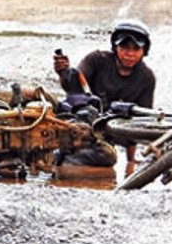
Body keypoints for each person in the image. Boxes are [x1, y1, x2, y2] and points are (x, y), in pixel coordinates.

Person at [53, 20, 156, 177]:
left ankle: (61, 161)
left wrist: (130, 161)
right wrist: (63, 73)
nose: (130, 54)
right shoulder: (96, 60)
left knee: (107, 156)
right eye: (125, 48)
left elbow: (138, 125)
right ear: (115, 47)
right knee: (37, 101)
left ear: (144, 51)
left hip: (101, 135)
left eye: (136, 49)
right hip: (74, 121)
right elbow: (74, 86)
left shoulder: (146, 78)